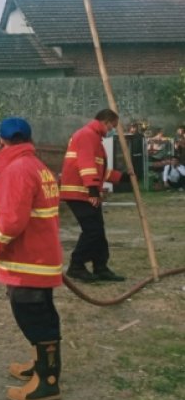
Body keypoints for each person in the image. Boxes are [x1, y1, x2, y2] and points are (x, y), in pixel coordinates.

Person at [0, 117, 64, 400]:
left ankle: (48, 383)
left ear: (1, 141)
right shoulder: (36, 166)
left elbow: (10, 221)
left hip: (28, 261)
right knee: (41, 315)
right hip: (38, 257)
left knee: (35, 318)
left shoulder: (17, 170)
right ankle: (41, 365)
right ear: (29, 139)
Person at [59, 109, 127, 282]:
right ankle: (76, 266)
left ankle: (100, 266)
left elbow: (98, 169)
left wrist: (120, 177)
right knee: (93, 230)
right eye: (113, 126)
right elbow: (87, 165)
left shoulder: (93, 137)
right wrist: (93, 191)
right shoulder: (87, 135)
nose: (112, 130)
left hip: (83, 190)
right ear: (106, 121)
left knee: (98, 230)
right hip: (79, 191)